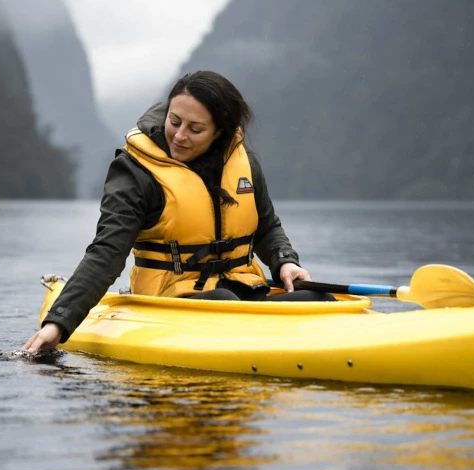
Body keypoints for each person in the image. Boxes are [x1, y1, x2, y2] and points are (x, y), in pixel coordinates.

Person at [22, 70, 331, 355]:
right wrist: (58, 323)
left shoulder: (243, 161)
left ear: (219, 132)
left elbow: (266, 227)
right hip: (172, 300)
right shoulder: (136, 173)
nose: (180, 136)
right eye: (174, 121)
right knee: (224, 306)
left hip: (242, 291)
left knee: (320, 299)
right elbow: (107, 251)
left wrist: (285, 261)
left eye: (196, 129)